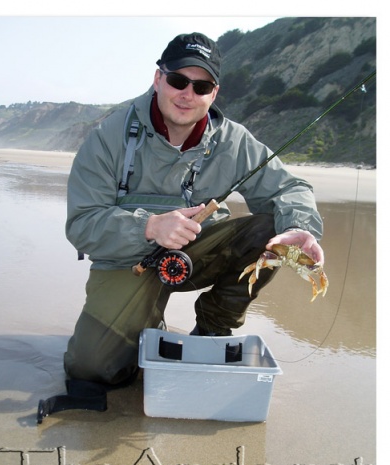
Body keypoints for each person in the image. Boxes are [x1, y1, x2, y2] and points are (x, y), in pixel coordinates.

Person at [63, 32, 324, 386]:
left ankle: (213, 327)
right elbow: (81, 224)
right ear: (158, 78)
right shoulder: (107, 137)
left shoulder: (234, 140)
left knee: (269, 231)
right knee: (92, 371)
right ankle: (144, 321)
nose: (188, 94)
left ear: (214, 94)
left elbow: (289, 188)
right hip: (128, 262)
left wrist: (302, 228)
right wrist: (149, 227)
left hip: (199, 256)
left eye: (202, 87)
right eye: (178, 81)